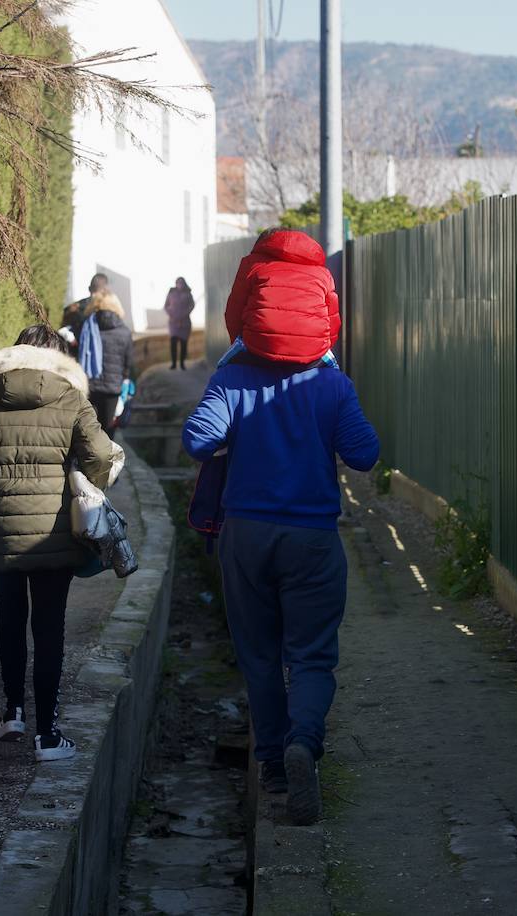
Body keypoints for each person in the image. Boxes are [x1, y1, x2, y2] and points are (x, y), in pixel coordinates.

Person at [182, 337, 379, 827]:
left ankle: (272, 765)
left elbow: (198, 440)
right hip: (312, 538)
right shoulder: (333, 384)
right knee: (311, 655)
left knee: (260, 655)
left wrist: (241, 420)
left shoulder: (231, 379)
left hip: (245, 535)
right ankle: (304, 743)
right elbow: (364, 453)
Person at [0, 324, 115, 762]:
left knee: (9, 617)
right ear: (58, 358)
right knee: (50, 626)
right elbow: (99, 455)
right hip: (52, 535)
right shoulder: (71, 397)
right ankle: (48, 735)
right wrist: (85, 485)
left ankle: (13, 711)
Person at [224, 228, 340, 364]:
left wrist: (239, 341)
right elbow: (332, 320)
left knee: (223, 370)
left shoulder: (252, 264)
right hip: (311, 349)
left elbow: (234, 313)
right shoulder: (323, 273)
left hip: (258, 345)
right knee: (336, 376)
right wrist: (323, 347)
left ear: (262, 244)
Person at [80, 290, 135, 430]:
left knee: (88, 429)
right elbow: (128, 364)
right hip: (113, 388)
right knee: (108, 430)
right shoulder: (124, 332)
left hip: (89, 385)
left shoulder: (86, 326)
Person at [60, 273, 108, 353]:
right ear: (104, 290)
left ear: (89, 288)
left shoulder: (76, 306)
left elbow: (61, 325)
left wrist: (70, 337)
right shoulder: (108, 309)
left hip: (77, 351)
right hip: (99, 352)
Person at [164, 277, 196, 370]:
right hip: (173, 323)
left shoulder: (188, 293)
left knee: (183, 344)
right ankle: (173, 364)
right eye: (178, 283)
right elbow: (165, 306)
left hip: (185, 323)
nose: (180, 284)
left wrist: (185, 313)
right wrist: (171, 314)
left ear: (184, 283)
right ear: (175, 284)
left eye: (181, 283)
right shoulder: (171, 293)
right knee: (173, 343)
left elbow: (192, 305)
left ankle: (182, 363)